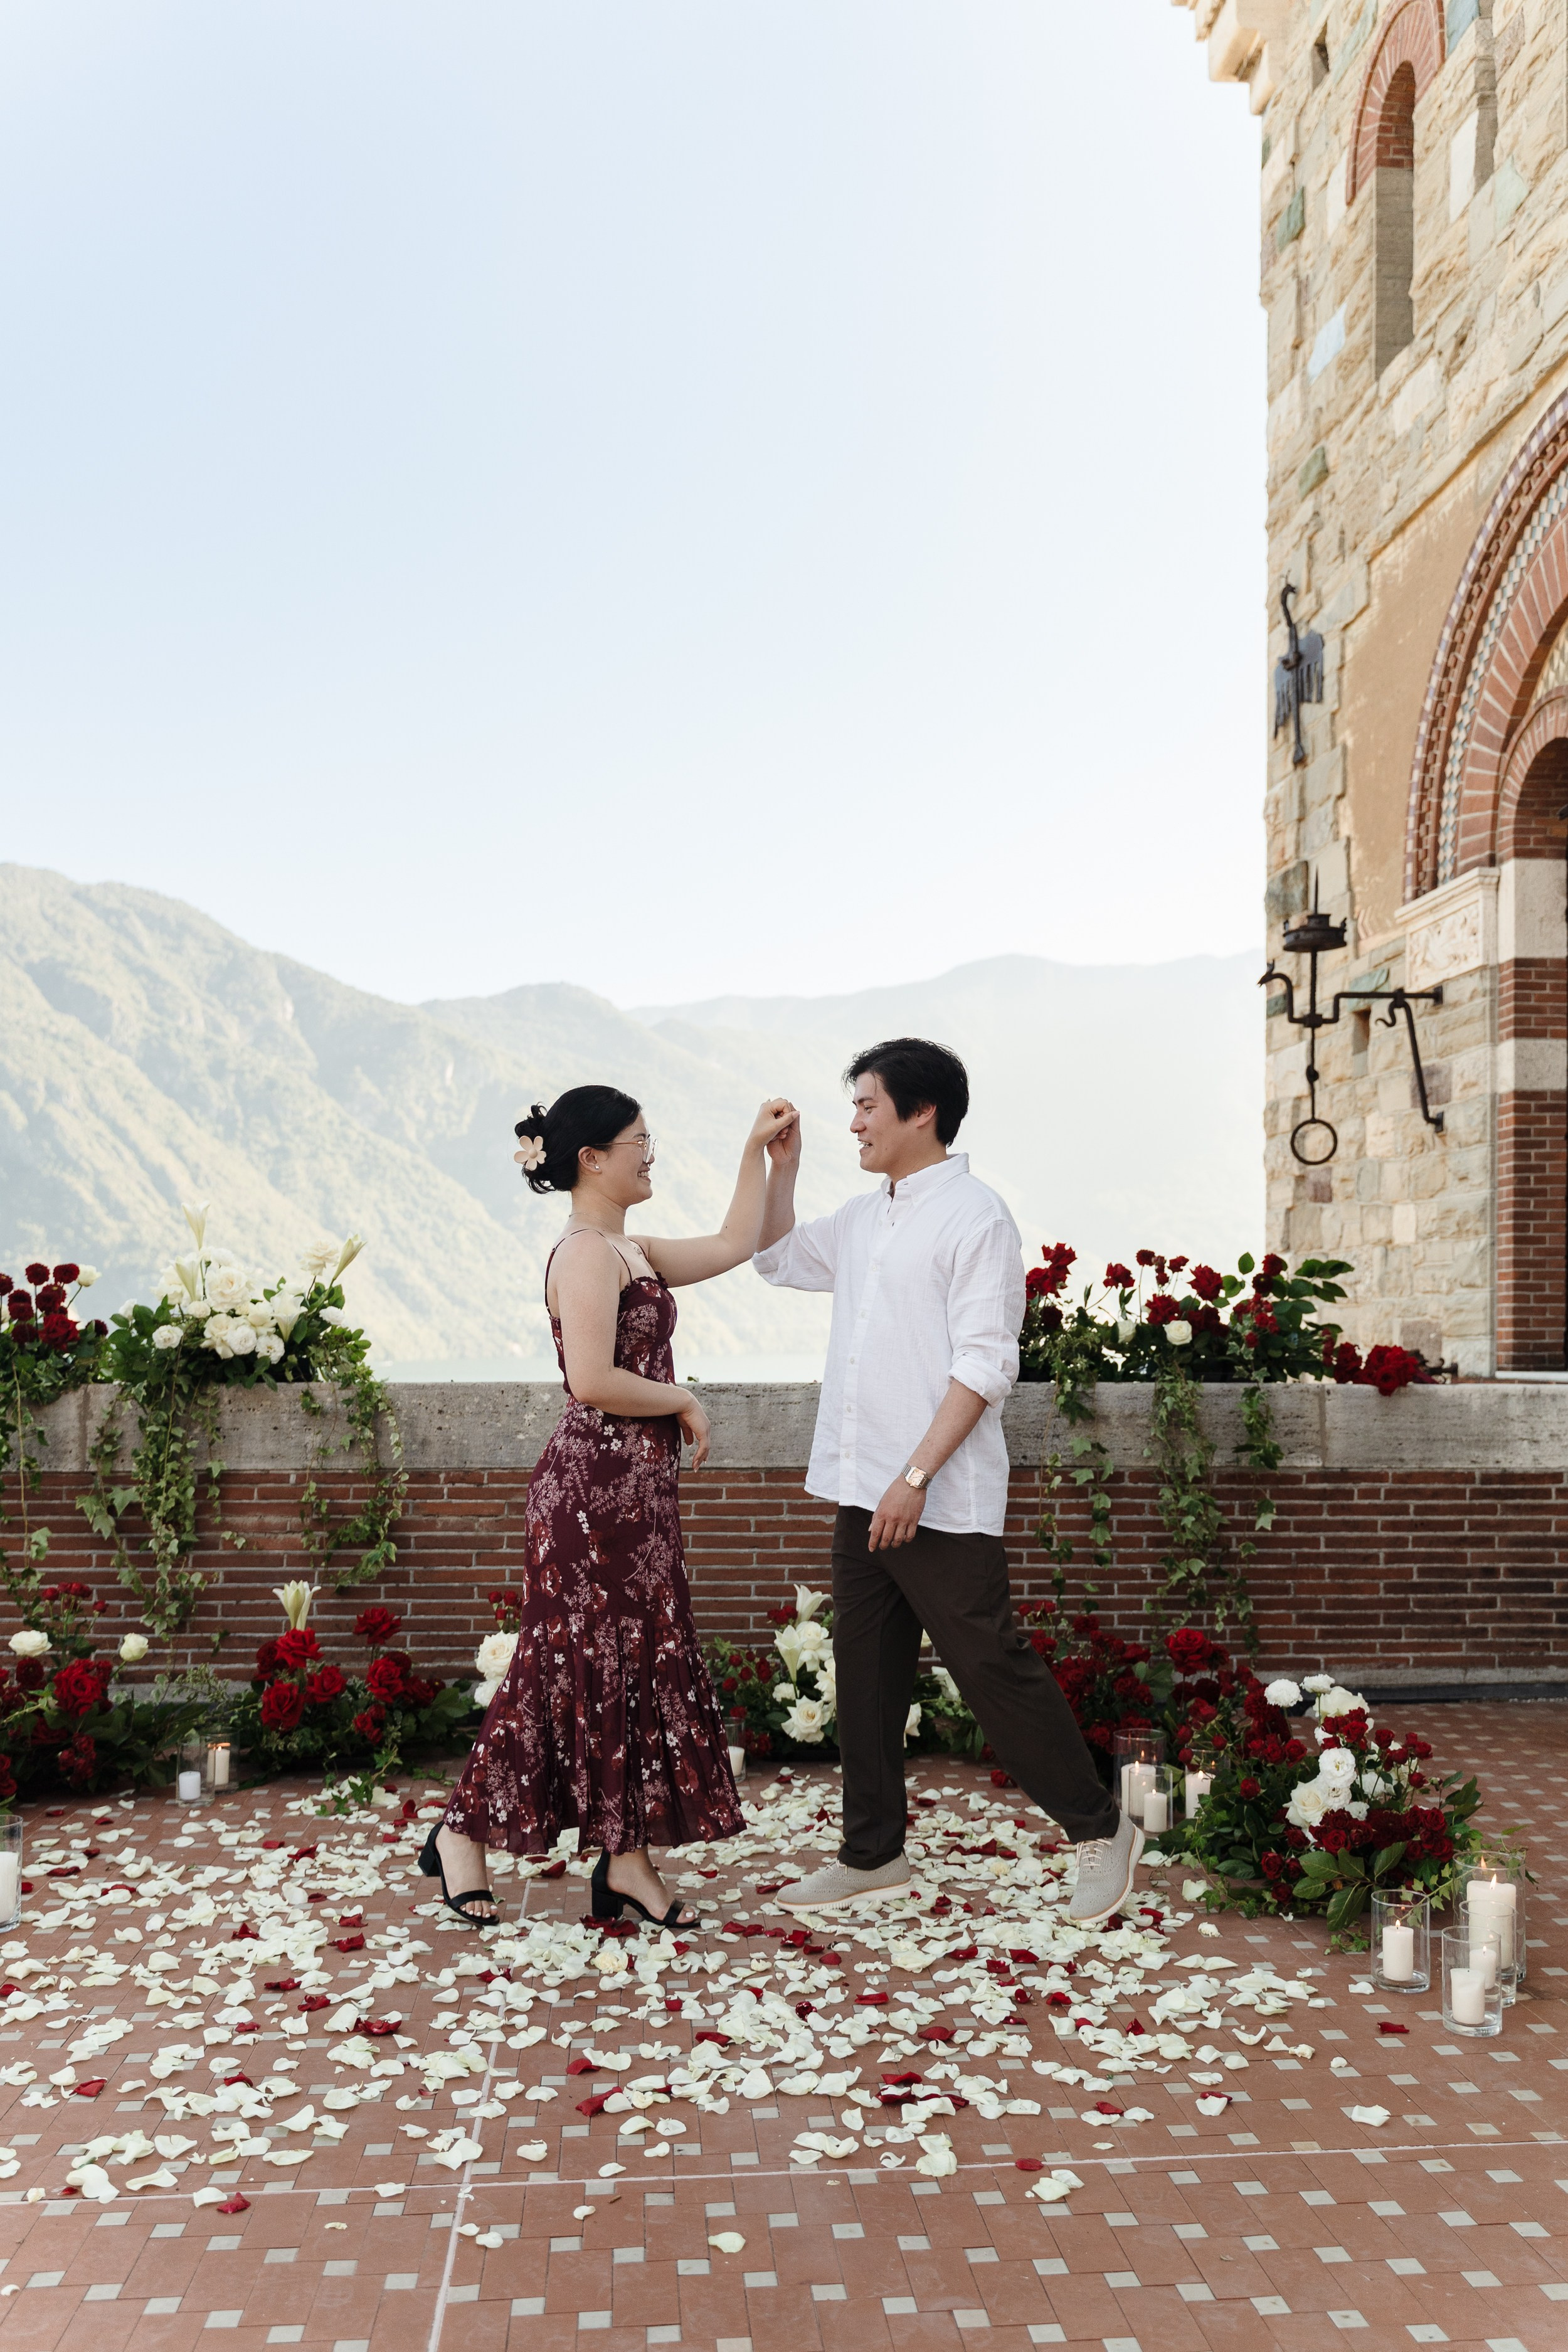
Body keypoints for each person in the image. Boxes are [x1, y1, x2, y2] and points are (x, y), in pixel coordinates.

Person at [752, 1037, 1142, 1926]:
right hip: (861, 1488)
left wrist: (915, 1475)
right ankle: (872, 1853)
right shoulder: (863, 1217)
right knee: (866, 1676)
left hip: (936, 1497)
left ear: (922, 1111)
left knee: (991, 1669)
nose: (855, 1121)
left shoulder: (976, 1217)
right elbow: (774, 1259)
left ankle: (1100, 1828)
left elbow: (985, 1364)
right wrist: (786, 1169)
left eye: (867, 1105)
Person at [425, 1084, 797, 1929]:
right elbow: (590, 1379)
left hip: (637, 1497)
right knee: (566, 1665)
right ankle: (463, 1833)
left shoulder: (633, 1248)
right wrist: (682, 1398)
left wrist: (760, 1154)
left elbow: (739, 1241)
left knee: (630, 1670)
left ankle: (625, 1859)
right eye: (639, 1141)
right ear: (592, 1158)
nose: (650, 1153)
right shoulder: (586, 1253)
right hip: (591, 1496)